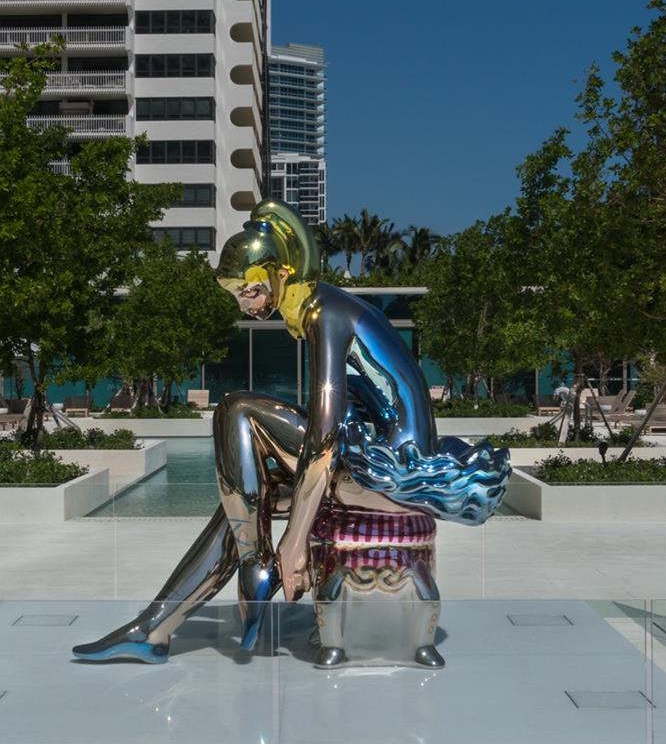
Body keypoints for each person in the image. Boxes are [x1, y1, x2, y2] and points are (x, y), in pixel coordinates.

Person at [72, 202, 508, 666]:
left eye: (251, 290)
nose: (246, 304)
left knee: (236, 409)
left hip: (387, 471)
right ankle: (155, 629)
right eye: (237, 294)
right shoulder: (328, 309)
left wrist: (293, 542)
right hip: (377, 464)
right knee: (242, 508)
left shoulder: (327, 313)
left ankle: (255, 564)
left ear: (282, 274)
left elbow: (324, 439)